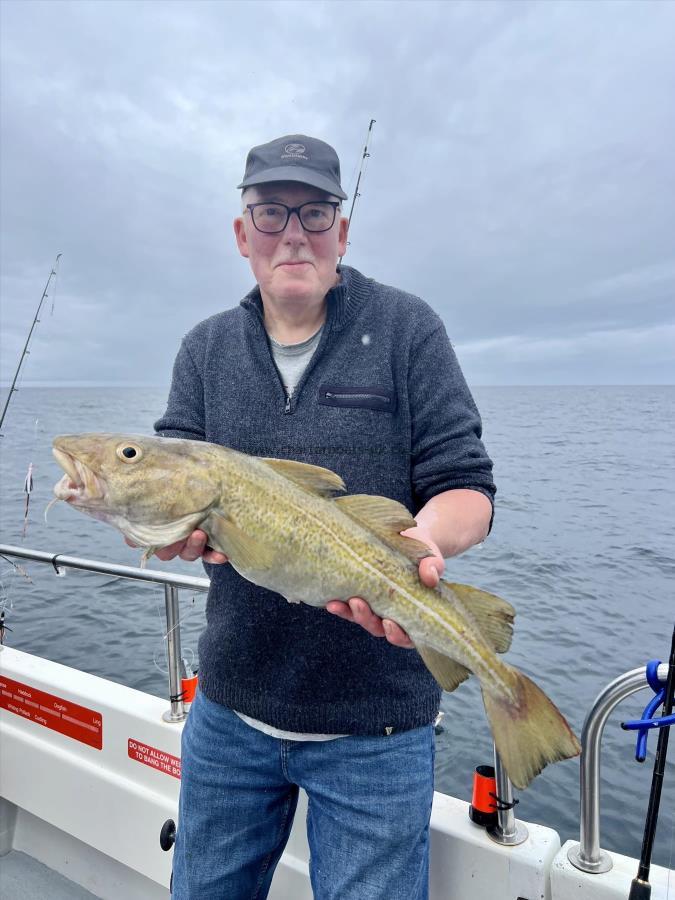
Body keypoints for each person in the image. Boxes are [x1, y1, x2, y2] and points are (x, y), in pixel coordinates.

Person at [152, 133, 495, 900]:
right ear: (243, 234)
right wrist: (173, 529)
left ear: (342, 230)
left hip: (377, 726)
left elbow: (468, 488)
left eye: (314, 212)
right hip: (230, 712)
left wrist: (426, 540)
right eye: (271, 213)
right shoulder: (204, 349)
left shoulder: (408, 330)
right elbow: (174, 466)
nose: (293, 234)